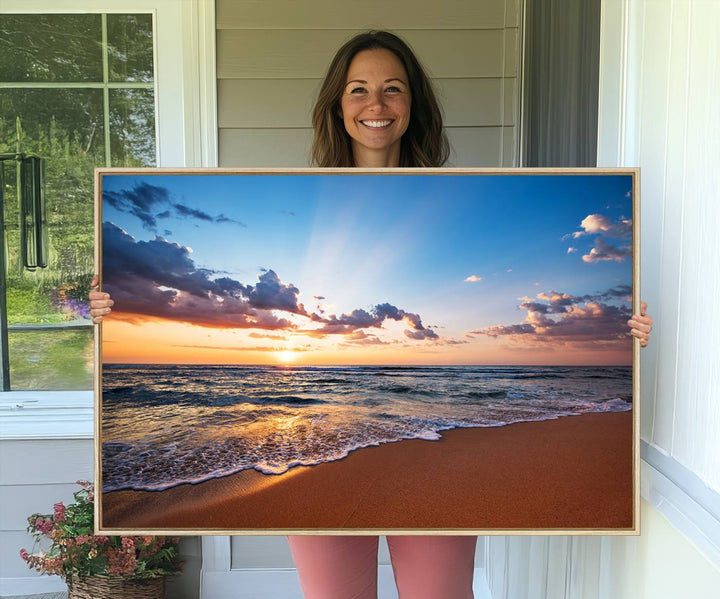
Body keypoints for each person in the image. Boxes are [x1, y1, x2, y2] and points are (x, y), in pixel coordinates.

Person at [89, 30, 653, 599]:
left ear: (413, 105)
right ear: (338, 104)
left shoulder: (458, 194)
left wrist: (628, 328)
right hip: (319, 440)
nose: (376, 105)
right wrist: (108, 307)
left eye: (393, 89)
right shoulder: (299, 200)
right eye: (358, 90)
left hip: (435, 458)